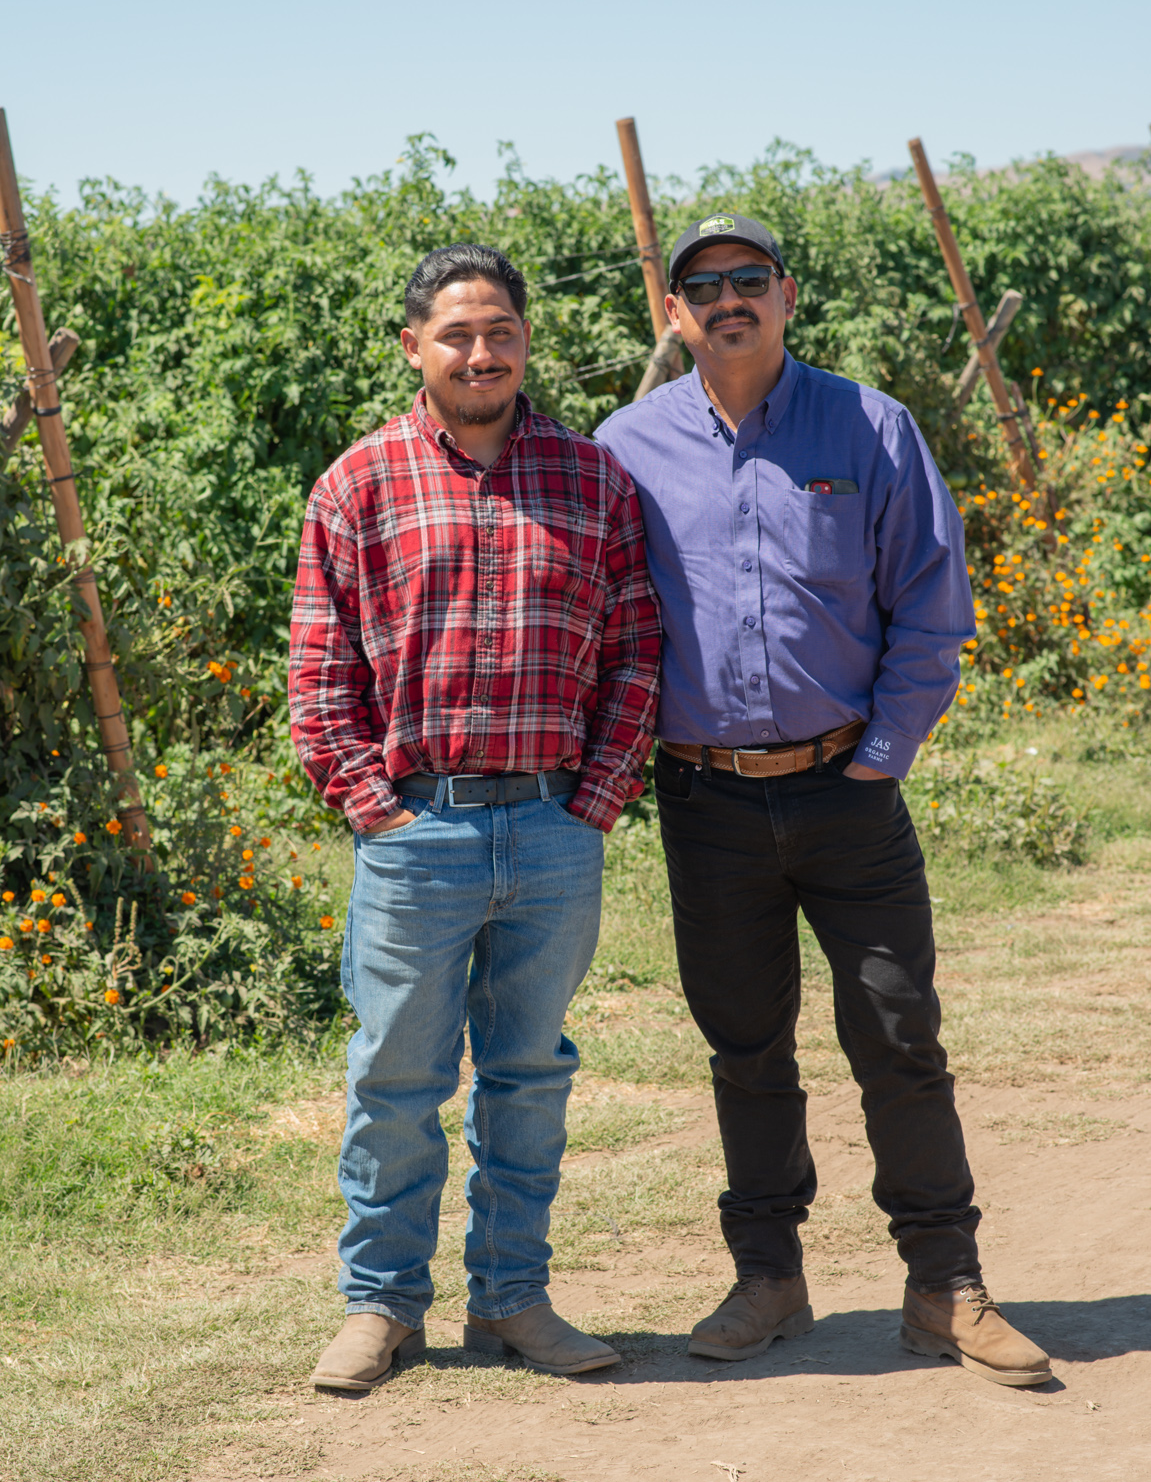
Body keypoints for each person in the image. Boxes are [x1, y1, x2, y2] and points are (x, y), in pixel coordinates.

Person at [596, 212, 1049, 1388]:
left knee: (900, 1035)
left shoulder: (870, 425)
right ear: (675, 310)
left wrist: (881, 754)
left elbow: (930, 607)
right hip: (706, 800)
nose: (729, 297)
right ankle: (770, 1277)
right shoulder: (628, 445)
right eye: (706, 283)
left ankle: (944, 1283)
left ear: (788, 296)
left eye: (751, 278)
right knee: (745, 1048)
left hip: (851, 793)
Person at [290, 243, 661, 1394]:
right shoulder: (360, 482)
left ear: (525, 340)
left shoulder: (592, 479)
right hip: (420, 836)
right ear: (415, 346)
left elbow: (638, 651)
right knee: (396, 1080)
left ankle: (514, 1296)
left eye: (499, 328)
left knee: (530, 1075)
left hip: (551, 830)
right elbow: (319, 670)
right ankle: (381, 1305)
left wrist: (593, 803)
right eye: (456, 332)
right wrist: (374, 810)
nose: (480, 350)